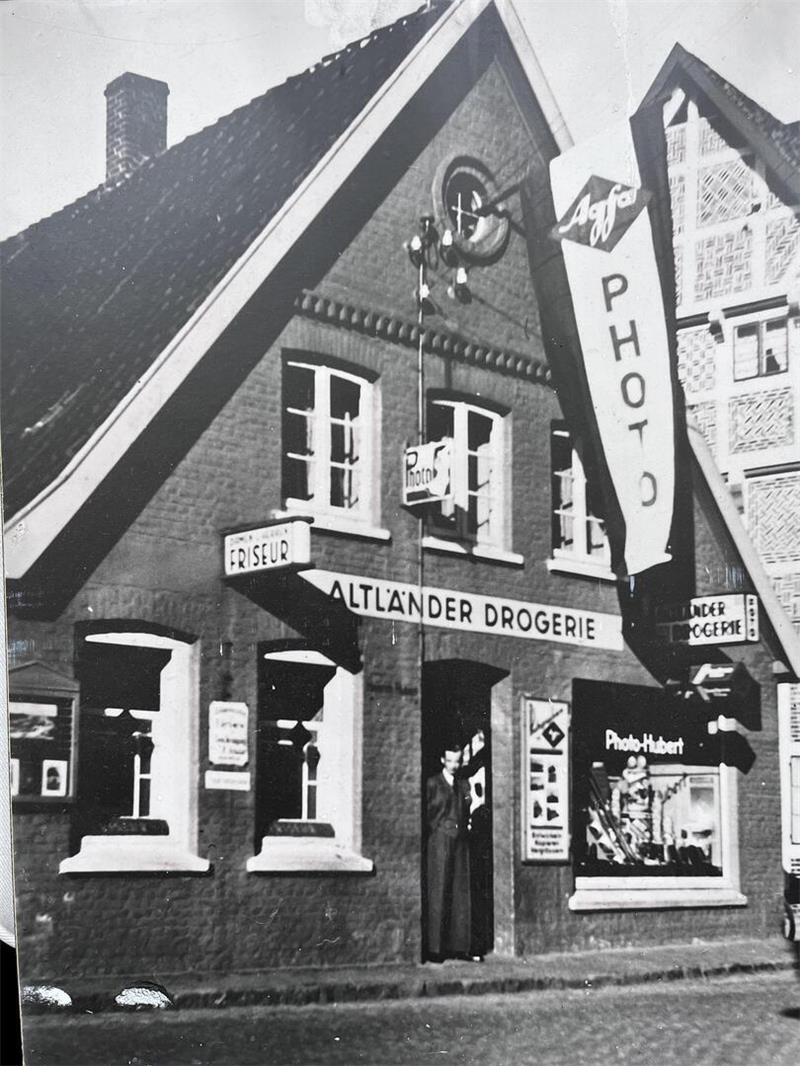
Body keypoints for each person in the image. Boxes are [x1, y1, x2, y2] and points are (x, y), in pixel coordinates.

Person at [425, 743, 475, 962]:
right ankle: (436, 949)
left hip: (460, 841)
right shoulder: (433, 783)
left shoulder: (463, 784)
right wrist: (438, 829)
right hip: (440, 841)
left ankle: (459, 947)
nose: (454, 765)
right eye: (450, 761)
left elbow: (466, 810)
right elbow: (428, 812)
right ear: (442, 761)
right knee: (439, 890)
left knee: (460, 891)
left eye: (458, 761)